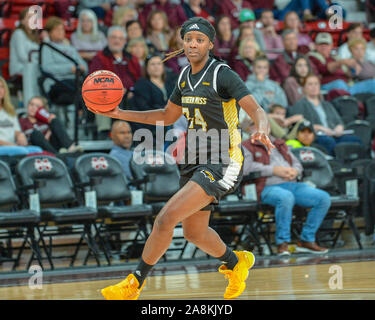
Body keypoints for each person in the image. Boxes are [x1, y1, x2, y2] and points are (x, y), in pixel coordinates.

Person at [87, 17, 274, 300]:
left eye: (199, 40)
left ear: (210, 44)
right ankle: (237, 263)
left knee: (165, 219)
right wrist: (118, 113)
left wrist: (261, 129)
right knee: (195, 232)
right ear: (182, 43)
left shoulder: (222, 74)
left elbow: (256, 109)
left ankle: (134, 284)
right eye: (189, 40)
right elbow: (165, 116)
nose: (193, 44)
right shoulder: (184, 77)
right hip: (195, 157)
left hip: (223, 159)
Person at [242, 122, 331, 255]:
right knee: (285, 197)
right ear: (249, 128)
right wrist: (274, 170)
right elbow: (245, 169)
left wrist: (294, 171)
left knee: (323, 198)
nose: (260, 127)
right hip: (265, 186)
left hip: (292, 183)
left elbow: (297, 164)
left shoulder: (280, 143)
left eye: (263, 124)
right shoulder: (245, 146)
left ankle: (307, 239)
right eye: (255, 124)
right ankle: (282, 243)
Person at [289, 74, 362, 155]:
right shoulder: (300, 105)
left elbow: (339, 121)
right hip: (317, 137)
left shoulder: (327, 104)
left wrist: (339, 128)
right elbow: (300, 126)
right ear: (303, 88)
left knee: (355, 140)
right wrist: (321, 128)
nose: (314, 87)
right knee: (328, 141)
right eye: (310, 84)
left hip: (334, 135)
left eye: (316, 84)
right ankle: (335, 164)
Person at [90, 26, 142, 139]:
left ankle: (137, 134)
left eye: (120, 38)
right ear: (108, 39)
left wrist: (131, 90)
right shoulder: (99, 57)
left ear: (124, 41)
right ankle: (104, 133)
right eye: (113, 37)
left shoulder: (131, 58)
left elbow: (139, 79)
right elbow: (95, 80)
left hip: (130, 94)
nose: (117, 41)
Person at [308, 32, 375, 95]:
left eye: (326, 44)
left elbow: (348, 74)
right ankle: (350, 100)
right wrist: (342, 62)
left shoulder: (335, 57)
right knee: (339, 83)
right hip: (326, 85)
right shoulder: (312, 57)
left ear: (331, 46)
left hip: (348, 85)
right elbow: (323, 69)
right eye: (321, 44)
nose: (324, 47)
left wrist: (354, 70)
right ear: (316, 46)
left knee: (373, 83)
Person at [41, 17, 88, 105]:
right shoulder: (47, 47)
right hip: (56, 83)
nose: (60, 32)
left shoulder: (70, 48)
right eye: (56, 30)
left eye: (62, 29)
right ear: (49, 32)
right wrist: (70, 69)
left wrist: (82, 68)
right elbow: (47, 68)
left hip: (75, 81)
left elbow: (84, 65)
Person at [132, 54, 175, 145]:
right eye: (152, 64)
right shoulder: (141, 84)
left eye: (159, 64)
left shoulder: (169, 83)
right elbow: (143, 107)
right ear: (146, 68)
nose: (156, 67)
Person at [18, 96, 83, 154]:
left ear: (43, 109)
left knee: (55, 120)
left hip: (52, 144)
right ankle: (57, 156)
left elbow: (51, 136)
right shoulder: (21, 121)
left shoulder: (46, 120)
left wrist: (50, 122)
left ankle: (71, 147)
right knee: (35, 134)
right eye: (31, 104)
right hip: (36, 146)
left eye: (37, 106)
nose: (33, 108)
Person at [0, 77, 42, 156]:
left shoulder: (10, 111)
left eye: (2, 87)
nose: (0, 90)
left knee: (38, 150)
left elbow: (16, 130)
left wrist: (20, 135)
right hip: (6, 147)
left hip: (14, 147)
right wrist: (12, 145)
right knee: (22, 151)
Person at [9, 8, 41, 107]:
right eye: (30, 17)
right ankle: (30, 105)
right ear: (22, 21)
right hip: (19, 67)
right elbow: (23, 56)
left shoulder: (36, 37)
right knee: (32, 67)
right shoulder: (18, 34)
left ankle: (41, 103)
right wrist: (39, 62)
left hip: (33, 66)